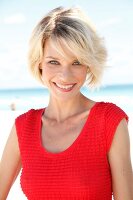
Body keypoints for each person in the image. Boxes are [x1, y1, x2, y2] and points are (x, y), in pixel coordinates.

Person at [0, 6, 133, 200]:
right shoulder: (23, 126)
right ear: (39, 63)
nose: (65, 75)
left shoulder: (109, 121)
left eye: (76, 62)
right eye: (54, 62)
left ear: (89, 64)